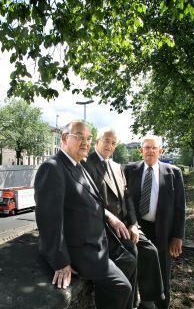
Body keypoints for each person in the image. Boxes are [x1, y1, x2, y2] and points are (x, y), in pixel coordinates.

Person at [35, 121, 134, 309]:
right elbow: (49, 220)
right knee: (121, 287)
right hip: (81, 250)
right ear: (64, 138)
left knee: (129, 261)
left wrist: (108, 217)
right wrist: (60, 261)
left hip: (99, 242)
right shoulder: (53, 168)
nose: (85, 142)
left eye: (88, 138)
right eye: (79, 136)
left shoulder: (79, 164)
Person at [84, 128, 164, 309]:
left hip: (126, 222)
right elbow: (88, 200)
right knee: (132, 254)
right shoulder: (87, 164)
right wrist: (112, 219)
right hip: (106, 225)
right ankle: (130, 304)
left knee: (151, 250)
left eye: (113, 143)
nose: (109, 146)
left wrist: (134, 224)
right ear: (97, 142)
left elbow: (127, 198)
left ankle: (149, 298)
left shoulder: (117, 166)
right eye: (106, 141)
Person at [124, 135, 186, 309]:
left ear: (161, 151)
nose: (150, 151)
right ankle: (141, 303)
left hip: (163, 232)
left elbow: (180, 208)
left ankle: (161, 305)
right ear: (141, 150)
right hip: (137, 229)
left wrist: (177, 236)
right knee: (136, 270)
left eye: (154, 148)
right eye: (146, 147)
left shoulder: (173, 173)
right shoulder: (130, 170)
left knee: (162, 273)